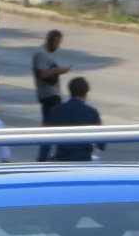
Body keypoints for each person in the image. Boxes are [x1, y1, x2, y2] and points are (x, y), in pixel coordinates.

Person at [43, 76, 104, 161]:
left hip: (62, 159)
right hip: (84, 160)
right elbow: (101, 143)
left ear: (70, 91)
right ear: (86, 93)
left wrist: (42, 160)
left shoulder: (56, 111)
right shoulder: (92, 113)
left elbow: (45, 140)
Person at [32, 29, 72, 159]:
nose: (58, 46)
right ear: (50, 41)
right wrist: (59, 71)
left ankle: (46, 156)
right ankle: (45, 157)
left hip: (52, 95)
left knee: (52, 127)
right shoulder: (41, 54)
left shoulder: (47, 54)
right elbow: (43, 73)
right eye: (56, 43)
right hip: (49, 96)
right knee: (53, 128)